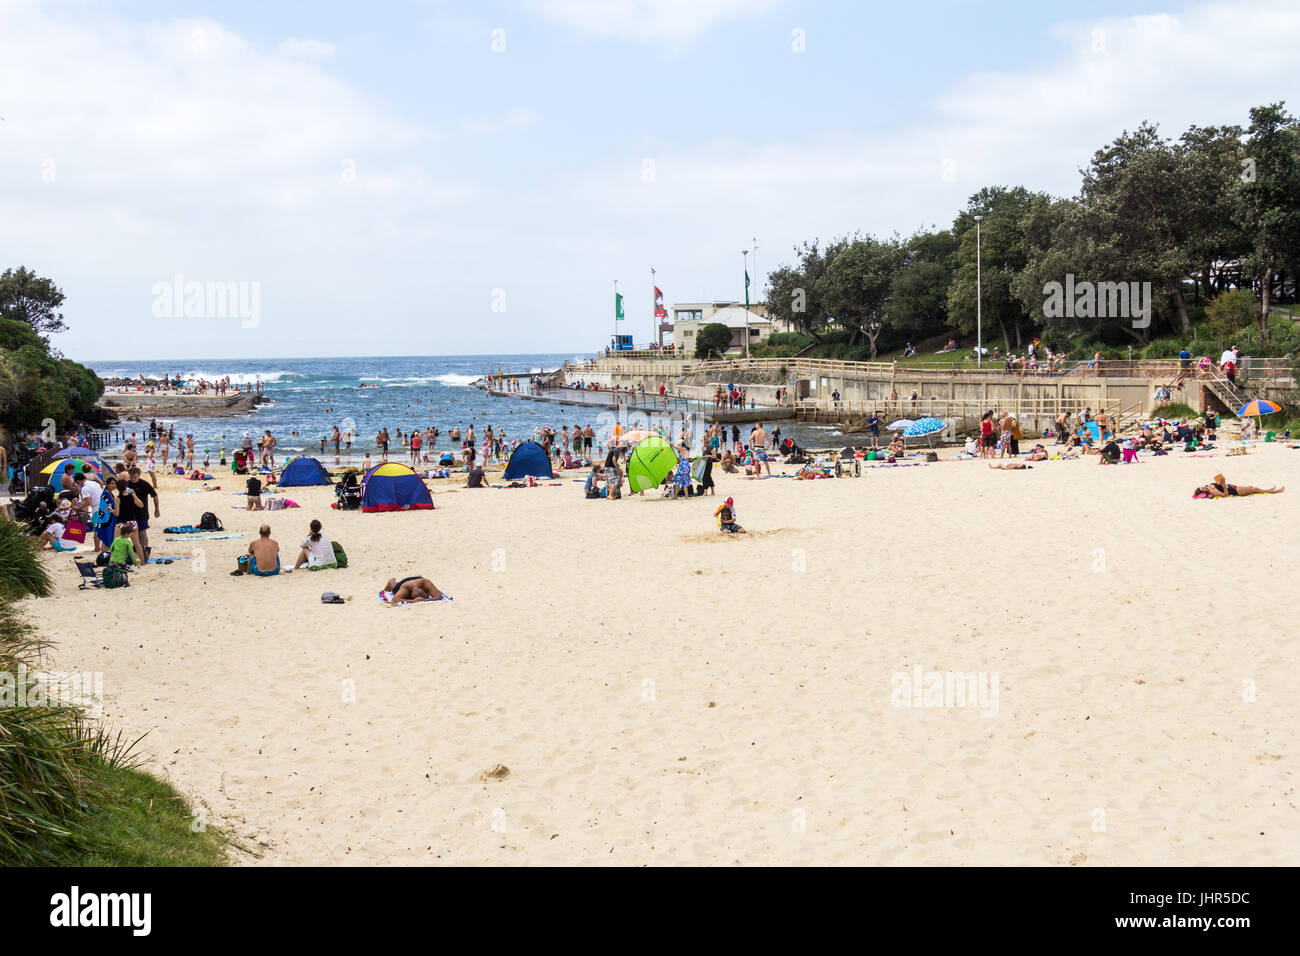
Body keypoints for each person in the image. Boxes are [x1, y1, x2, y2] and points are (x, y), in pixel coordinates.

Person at [1195, 474, 1284, 498]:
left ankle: (1269, 490)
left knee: (1251, 487)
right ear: (1203, 491)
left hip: (1233, 487)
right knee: (1255, 489)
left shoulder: (1209, 486)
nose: (1204, 486)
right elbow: (1225, 495)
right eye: (1202, 488)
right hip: (1235, 491)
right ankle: (1274, 491)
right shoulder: (1212, 491)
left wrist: (1221, 481)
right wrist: (1223, 485)